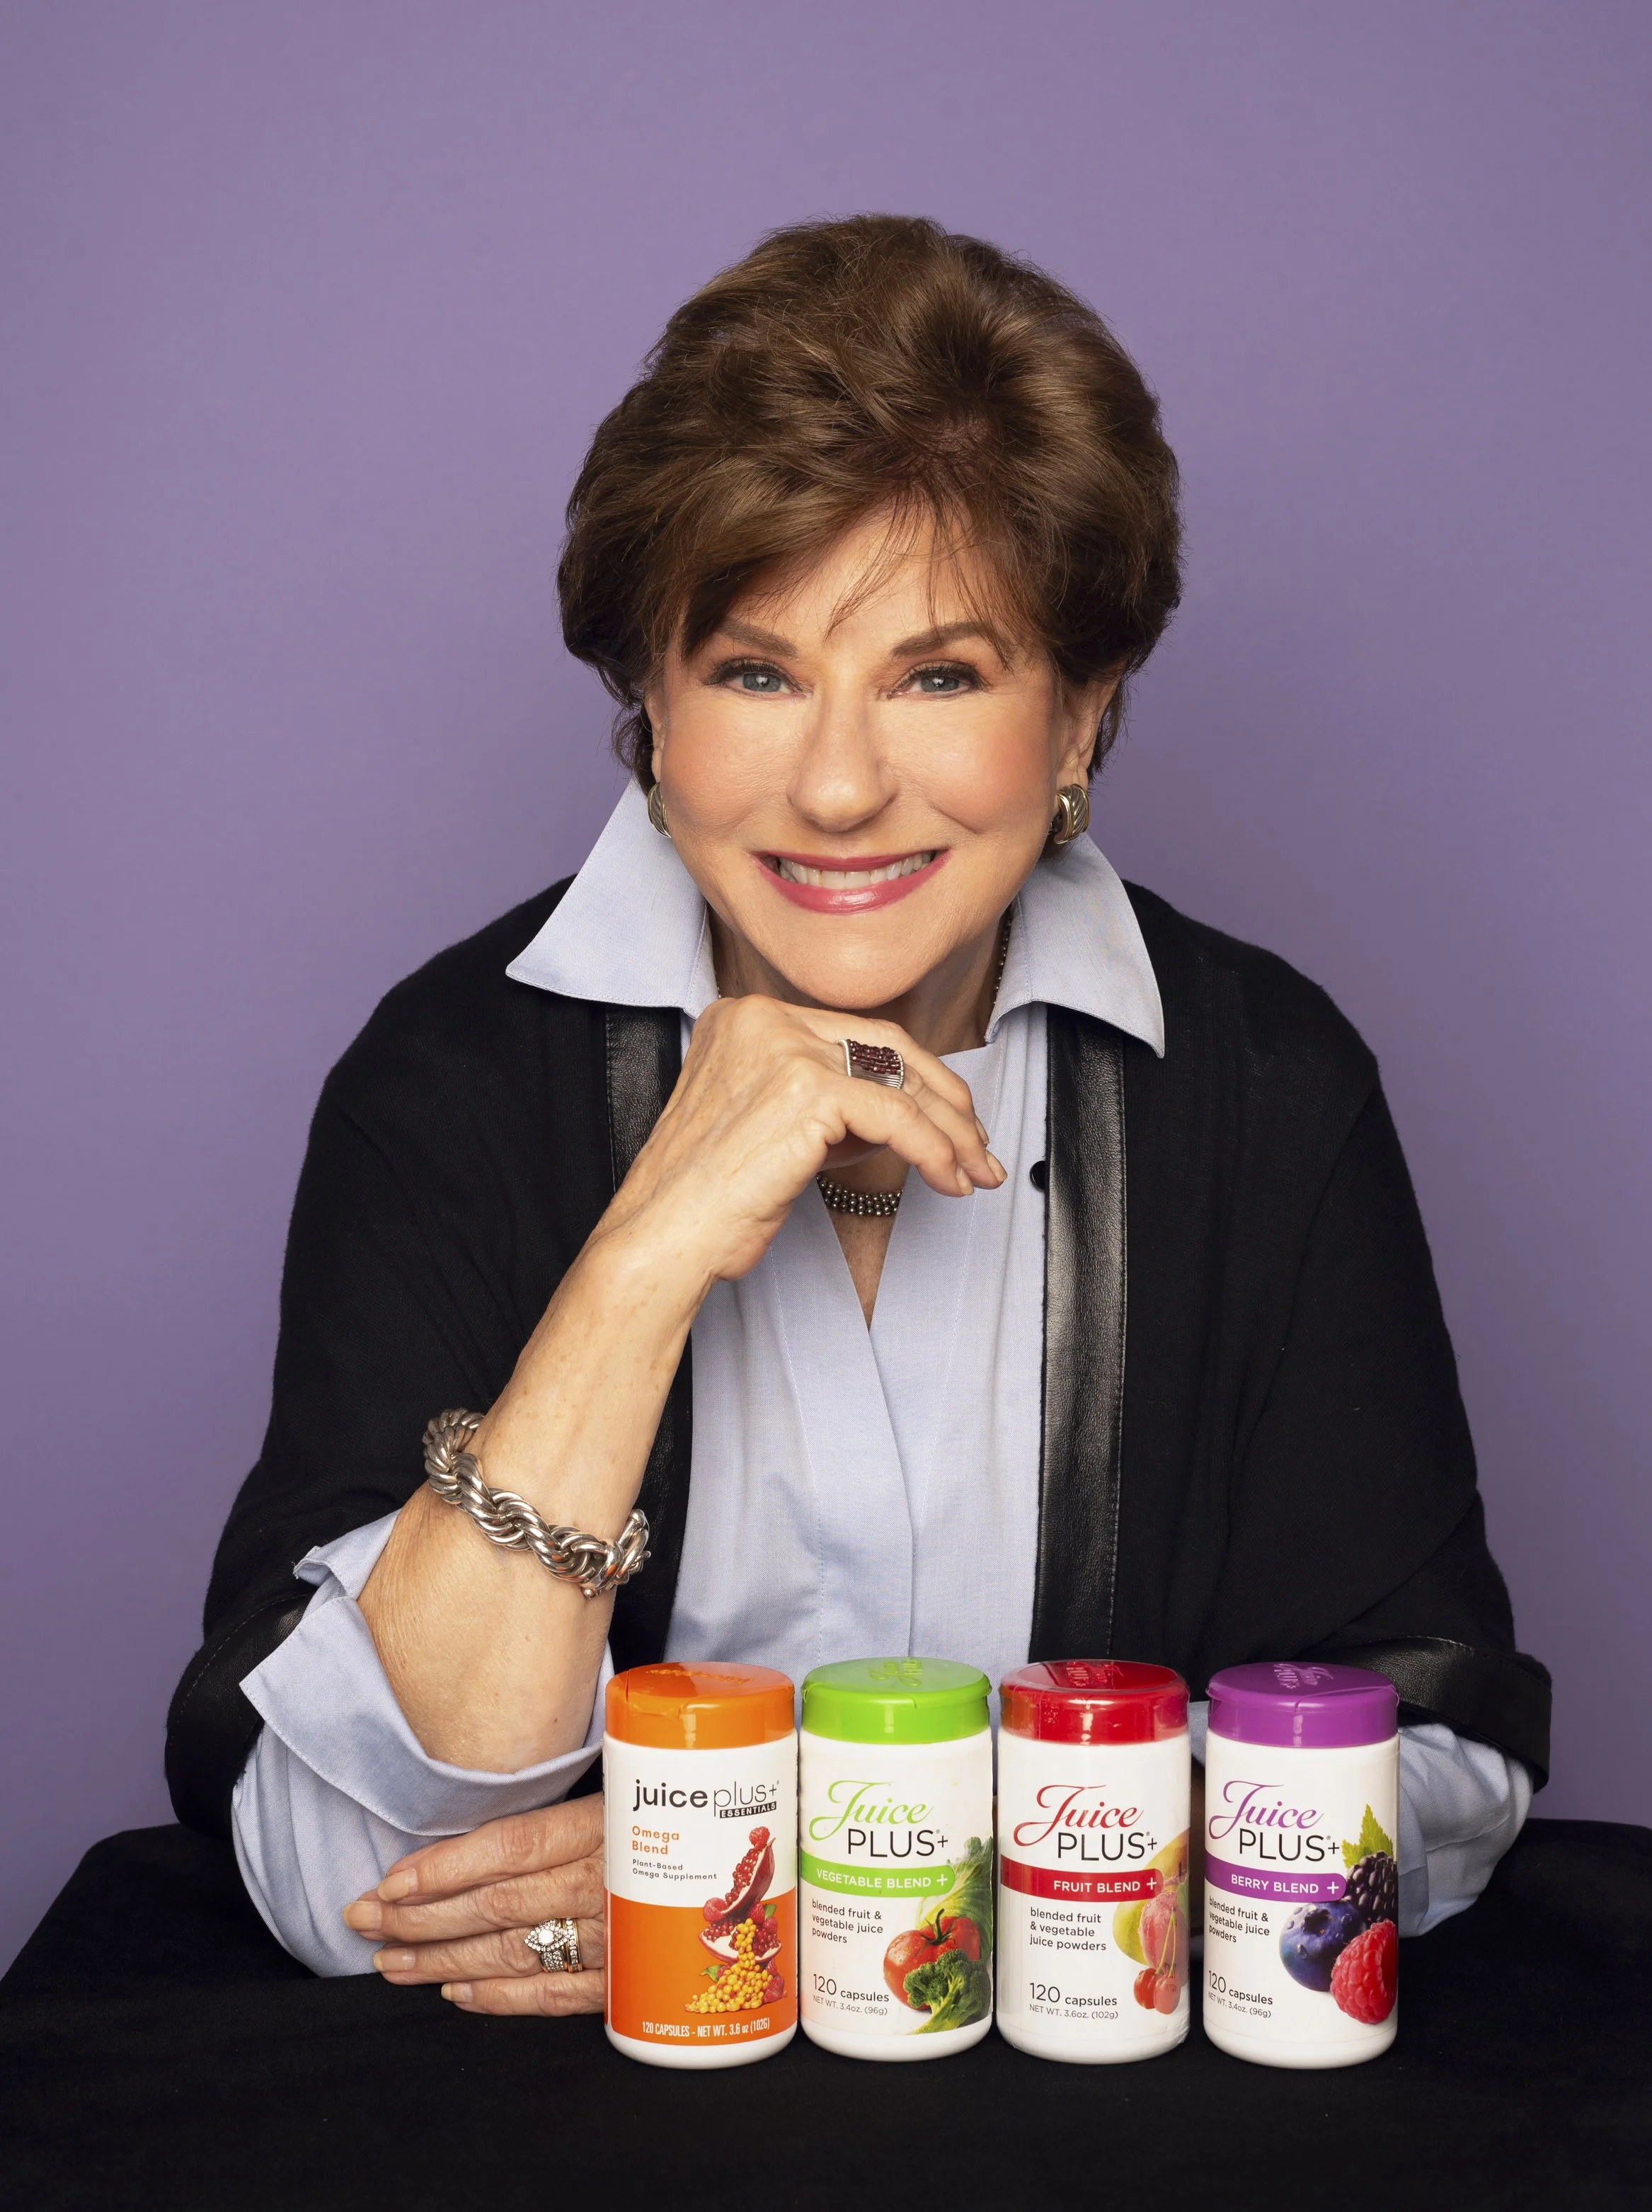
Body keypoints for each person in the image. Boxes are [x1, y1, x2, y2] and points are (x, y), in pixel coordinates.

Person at [166, 214, 1548, 2013]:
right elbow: (348, 1867)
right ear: (646, 705)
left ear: (1077, 719)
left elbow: (1428, 1776)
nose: (833, 786)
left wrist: (774, 1845)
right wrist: (646, 1249)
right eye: (753, 671)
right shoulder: (444, 1079)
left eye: (938, 674)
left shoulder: (1264, 1088)